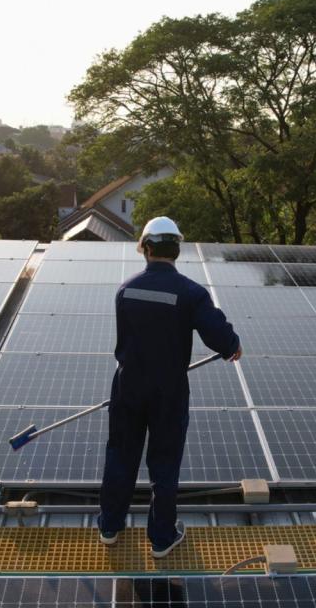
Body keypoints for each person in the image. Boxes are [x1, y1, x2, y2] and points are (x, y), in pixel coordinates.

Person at [98, 216, 242, 558]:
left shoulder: (126, 290)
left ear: (145, 249)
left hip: (128, 384)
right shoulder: (191, 293)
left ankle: (109, 527)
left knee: (120, 454)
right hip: (168, 390)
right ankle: (162, 538)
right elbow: (219, 336)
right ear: (176, 249)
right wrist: (232, 344)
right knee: (164, 462)